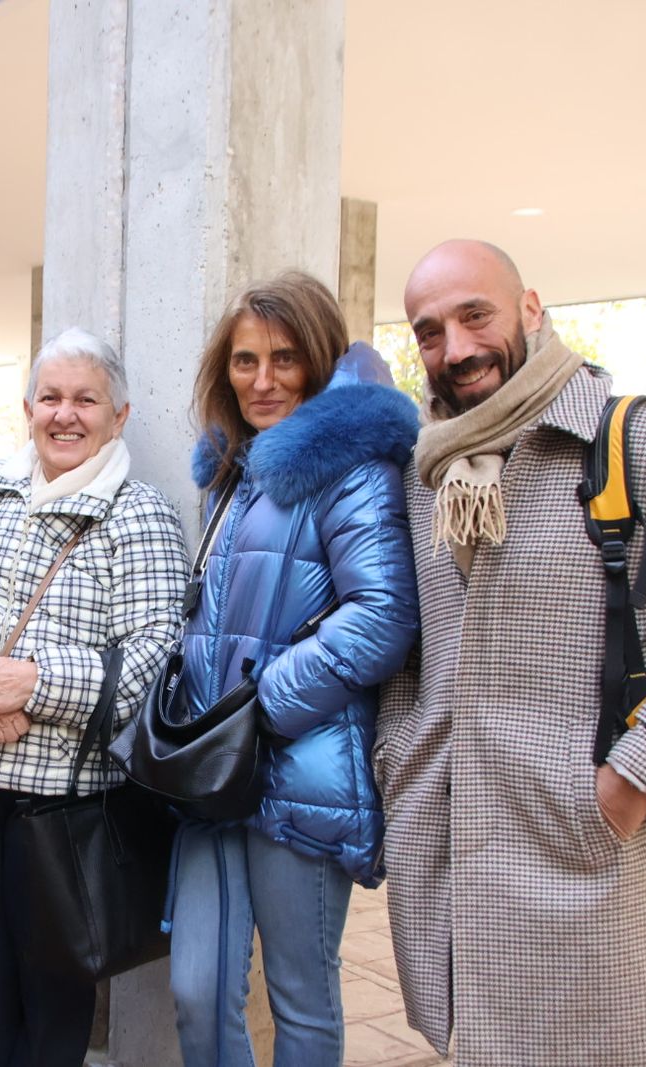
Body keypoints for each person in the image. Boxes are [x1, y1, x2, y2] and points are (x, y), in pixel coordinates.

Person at [377, 239, 646, 1065]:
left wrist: (635, 775)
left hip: (587, 854)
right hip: (455, 866)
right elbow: (416, 652)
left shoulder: (636, 440)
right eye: (430, 331)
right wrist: (403, 760)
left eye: (476, 316)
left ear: (530, 309)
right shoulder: (426, 468)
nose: (455, 348)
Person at [0, 328, 188, 1067]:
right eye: (51, 397)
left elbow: (156, 657)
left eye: (85, 398)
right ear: (27, 407)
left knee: (55, 1019)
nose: (66, 414)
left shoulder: (139, 514)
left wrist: (32, 683)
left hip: (66, 820)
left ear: (118, 415)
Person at [168, 272, 419, 1067]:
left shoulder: (351, 467)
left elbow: (384, 615)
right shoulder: (230, 471)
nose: (262, 379)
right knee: (197, 989)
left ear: (316, 358)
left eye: (283, 358)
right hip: (215, 772)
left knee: (301, 996)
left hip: (301, 771)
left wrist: (259, 706)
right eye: (244, 360)